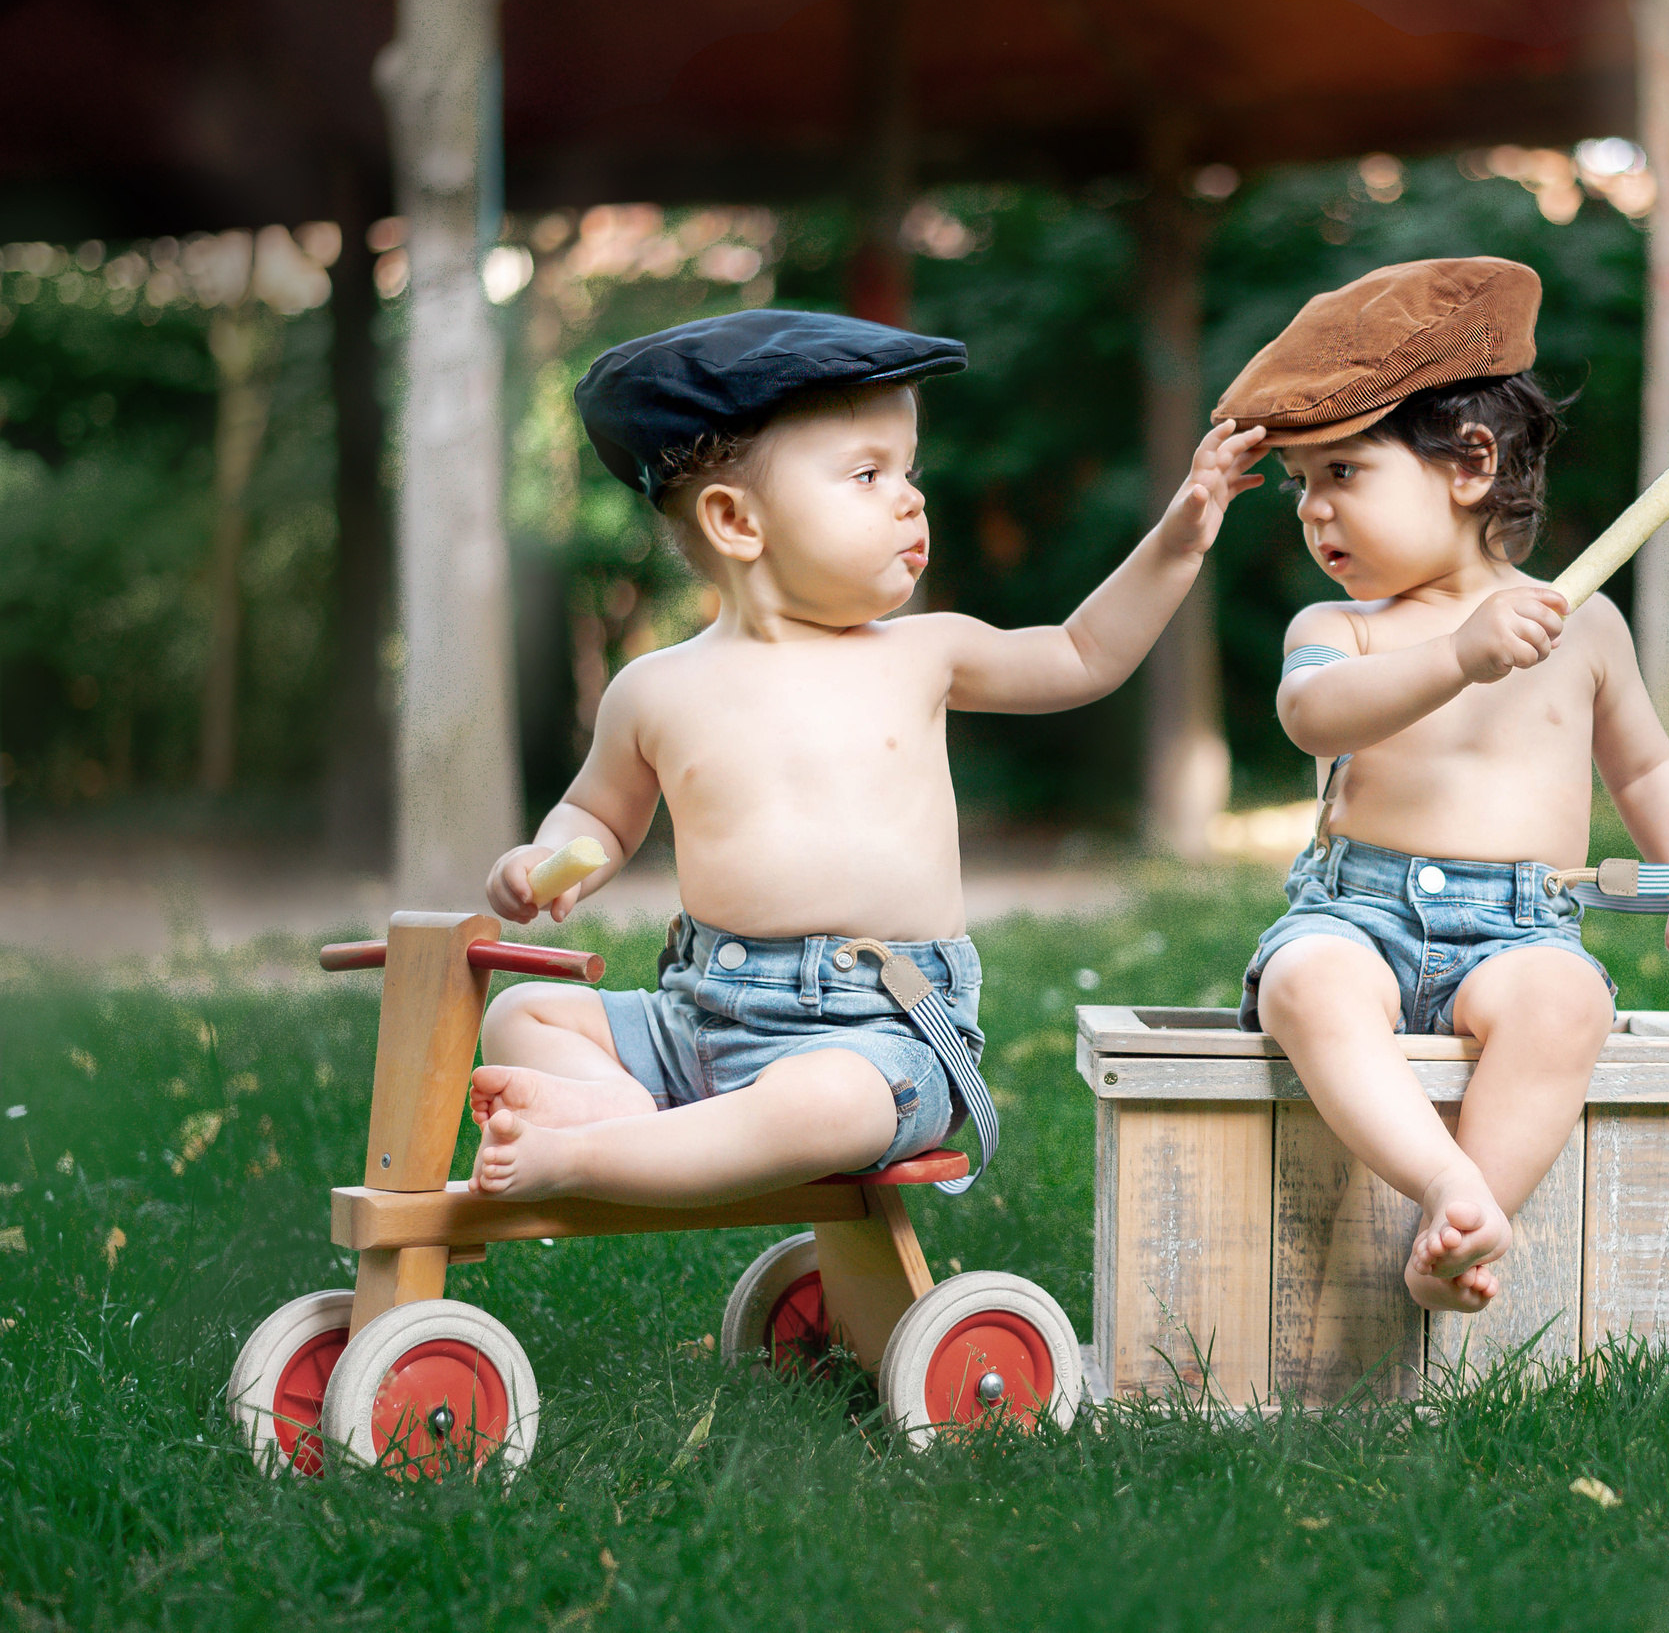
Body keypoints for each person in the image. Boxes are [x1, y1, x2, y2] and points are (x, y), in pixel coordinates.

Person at [467, 309, 1265, 1206]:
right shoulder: (654, 689)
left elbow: (1082, 654)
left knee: (825, 1103)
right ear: (735, 520)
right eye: (867, 473)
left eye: (908, 471)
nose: (911, 498)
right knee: (520, 1015)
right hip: (701, 1013)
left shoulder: (921, 653)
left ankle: (593, 1153)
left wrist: (1178, 542)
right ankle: (623, 1108)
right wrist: (549, 856)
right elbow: (599, 816)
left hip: (876, 1030)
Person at [1213, 258, 1669, 1311]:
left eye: (1343, 474)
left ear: (1466, 464)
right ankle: (1440, 1174)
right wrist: (1457, 654)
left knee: (1565, 1004)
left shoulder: (1579, 623)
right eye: (1303, 487)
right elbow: (1311, 714)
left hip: (1520, 929)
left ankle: (1464, 1227)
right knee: (1304, 984)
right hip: (1356, 912)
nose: (1315, 512)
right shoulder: (1341, 628)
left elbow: (1642, 762)